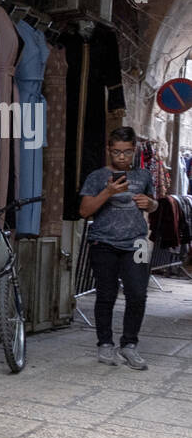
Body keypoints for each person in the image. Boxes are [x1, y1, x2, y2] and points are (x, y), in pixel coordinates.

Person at [79, 126, 156, 370]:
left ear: (134, 151)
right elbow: (84, 211)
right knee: (106, 294)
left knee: (137, 293)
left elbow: (152, 205)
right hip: (104, 242)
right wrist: (108, 191)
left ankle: (129, 345)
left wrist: (151, 204)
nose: (121, 157)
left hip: (138, 242)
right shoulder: (97, 176)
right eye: (116, 152)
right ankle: (105, 344)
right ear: (108, 150)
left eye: (126, 152)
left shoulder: (144, 176)